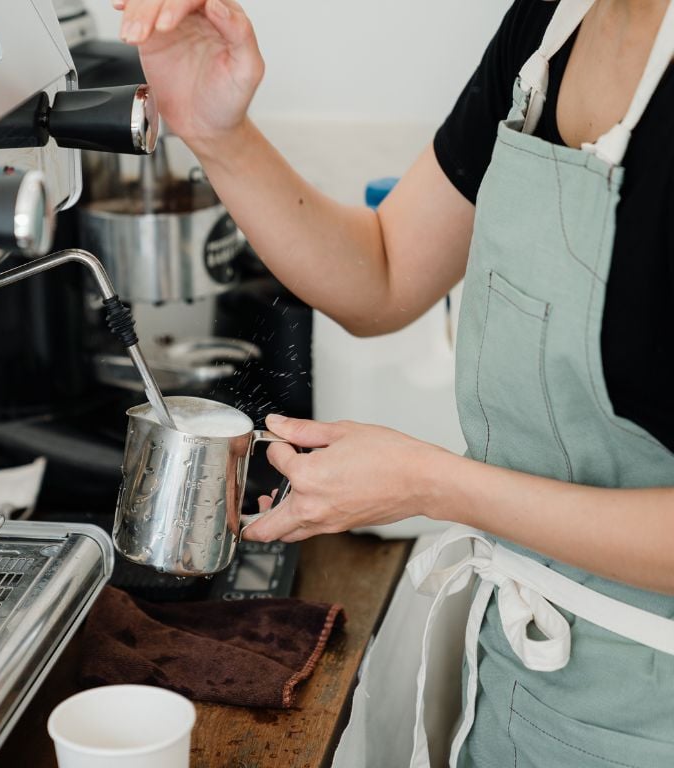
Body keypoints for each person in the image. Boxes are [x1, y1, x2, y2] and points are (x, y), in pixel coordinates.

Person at [113, 0, 674, 765]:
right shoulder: (549, 27)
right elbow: (383, 271)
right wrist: (216, 131)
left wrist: (432, 485)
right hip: (524, 684)